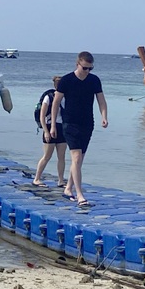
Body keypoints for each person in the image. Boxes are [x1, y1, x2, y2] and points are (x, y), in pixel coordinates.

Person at [50, 51, 108, 208]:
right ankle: (80, 195)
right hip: (70, 123)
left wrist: (104, 116)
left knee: (79, 160)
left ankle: (68, 189)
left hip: (87, 123)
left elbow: (101, 100)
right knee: (75, 158)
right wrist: (54, 125)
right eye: (85, 68)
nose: (88, 71)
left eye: (91, 68)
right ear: (78, 64)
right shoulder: (66, 80)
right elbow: (55, 103)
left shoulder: (94, 80)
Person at [33, 76, 67, 188]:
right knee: (47, 156)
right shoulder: (48, 97)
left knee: (61, 156)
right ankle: (37, 178)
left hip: (61, 127)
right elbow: (42, 116)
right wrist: (46, 131)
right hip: (48, 126)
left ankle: (61, 180)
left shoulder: (65, 97)